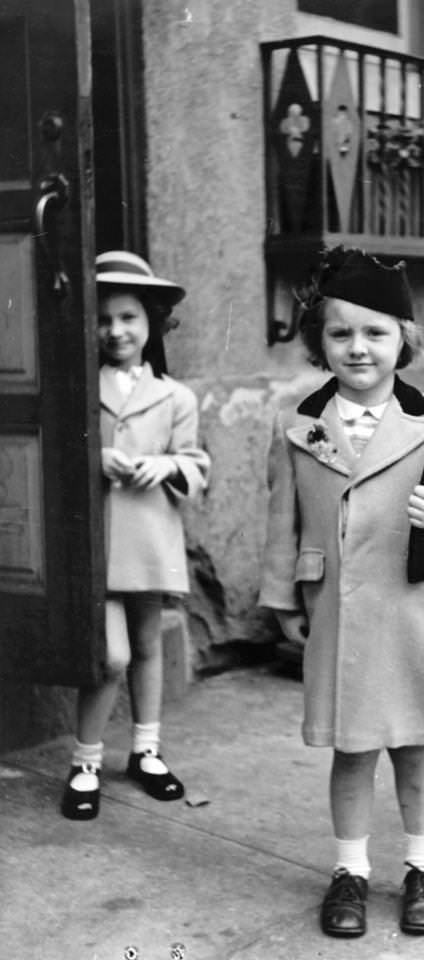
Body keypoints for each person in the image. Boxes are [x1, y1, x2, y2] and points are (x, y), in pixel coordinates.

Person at [259, 246, 424, 938]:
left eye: (375, 332)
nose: (357, 348)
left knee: (417, 744)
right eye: (340, 333)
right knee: (352, 747)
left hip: (414, 604)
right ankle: (351, 871)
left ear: (404, 340)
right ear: (319, 342)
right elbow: (282, 518)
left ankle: (422, 867)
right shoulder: (297, 423)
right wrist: (280, 600)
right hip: (338, 606)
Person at [60, 251, 210, 821]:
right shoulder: (76, 391)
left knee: (148, 644)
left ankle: (145, 750)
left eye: (128, 317)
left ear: (153, 324)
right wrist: (95, 458)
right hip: (98, 541)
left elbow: (196, 463)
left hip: (149, 536)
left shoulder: (175, 397)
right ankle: (86, 758)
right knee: (109, 654)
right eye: (103, 319)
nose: (115, 330)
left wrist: (165, 468)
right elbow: (57, 460)